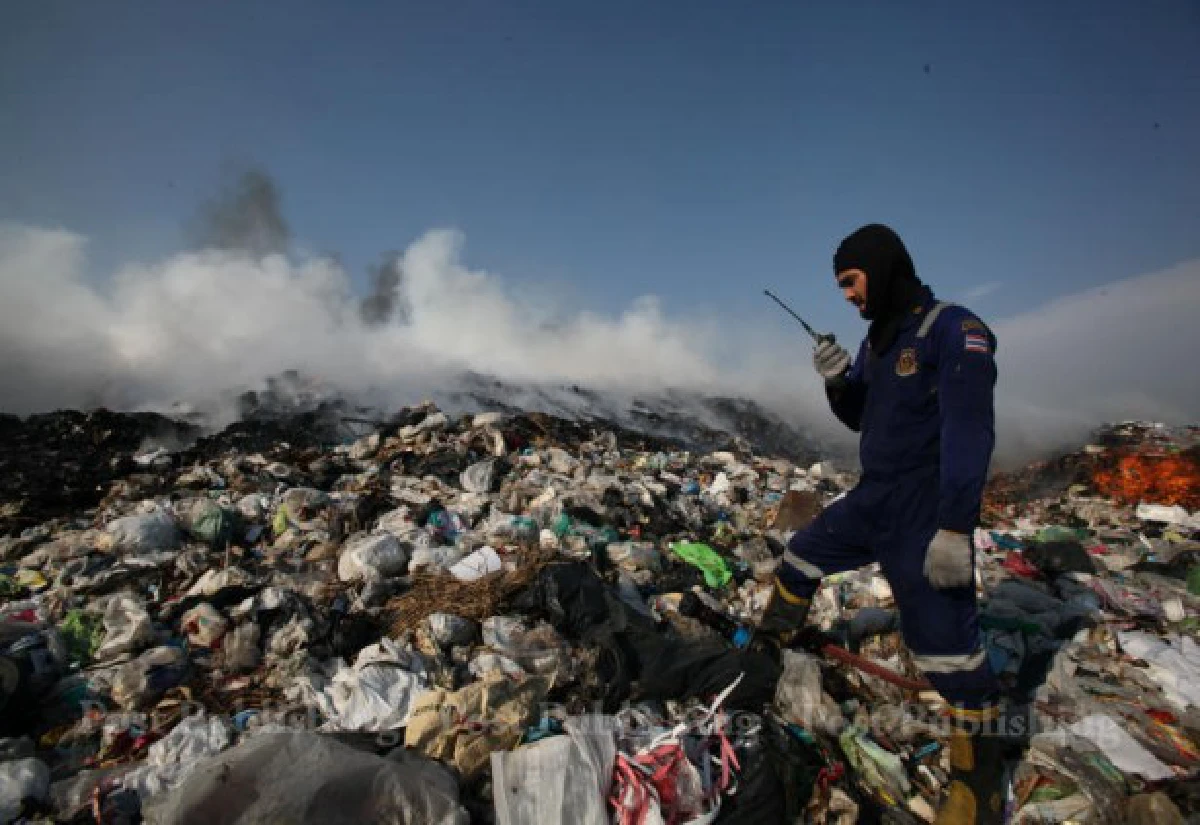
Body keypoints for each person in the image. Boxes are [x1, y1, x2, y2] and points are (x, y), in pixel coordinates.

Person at [757, 224, 1005, 824]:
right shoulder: (880, 340)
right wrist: (839, 379)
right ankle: (768, 652)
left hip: (925, 508)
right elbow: (860, 417)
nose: (845, 294)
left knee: (945, 653)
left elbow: (970, 431)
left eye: (851, 280)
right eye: (839, 284)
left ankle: (981, 784)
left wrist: (954, 526)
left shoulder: (952, 328)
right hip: (875, 497)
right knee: (801, 557)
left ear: (883, 267)